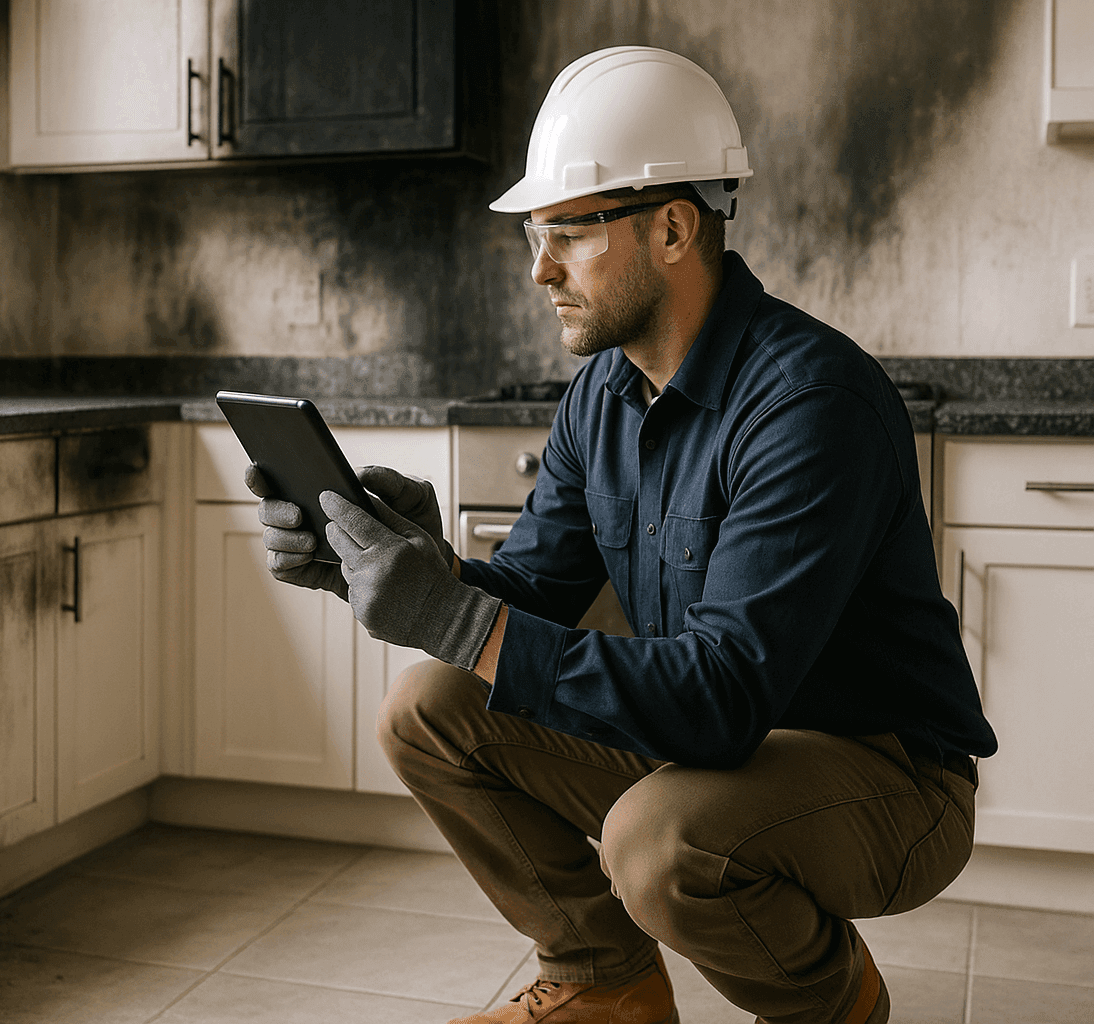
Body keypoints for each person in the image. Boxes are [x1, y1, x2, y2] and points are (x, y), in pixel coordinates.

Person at [245, 46, 995, 1024]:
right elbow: (531, 597)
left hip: (890, 777)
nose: (540, 269)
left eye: (568, 232)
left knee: (657, 840)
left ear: (673, 227)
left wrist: (456, 617)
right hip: (715, 750)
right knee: (428, 706)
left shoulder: (810, 405)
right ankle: (606, 984)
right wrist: (407, 567)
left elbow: (722, 697)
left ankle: (835, 1004)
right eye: (535, 234)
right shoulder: (603, 393)